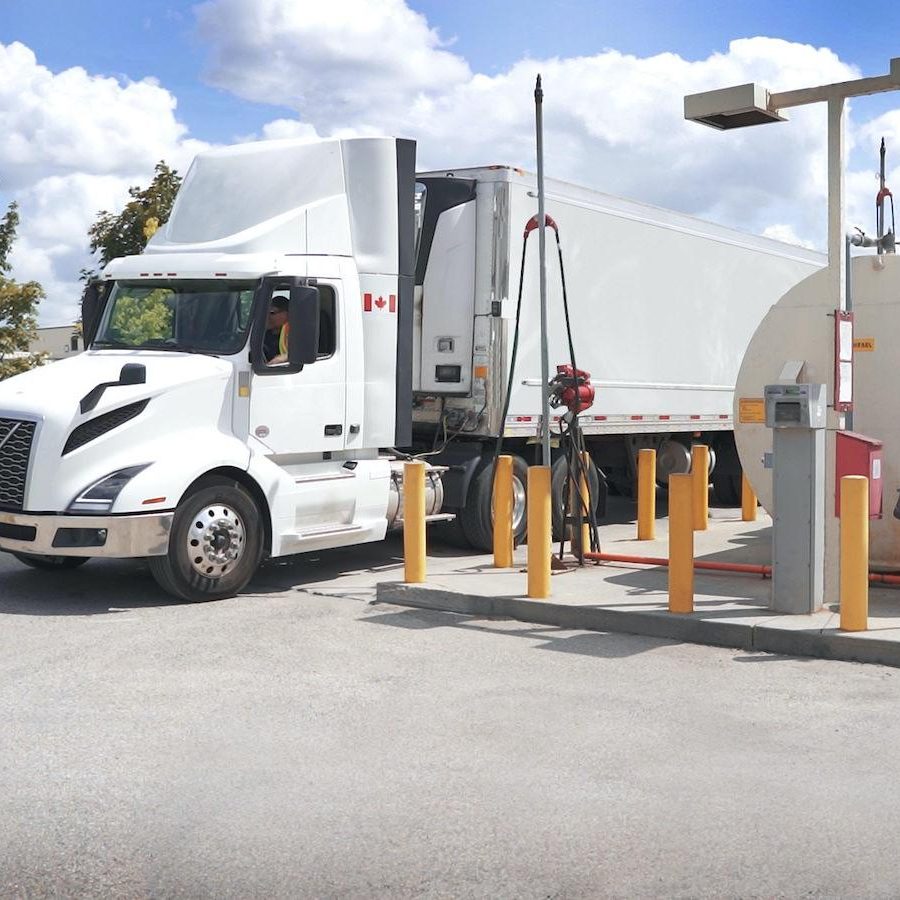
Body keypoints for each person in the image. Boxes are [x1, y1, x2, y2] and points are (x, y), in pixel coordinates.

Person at [264, 295, 289, 364]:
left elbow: (304, 352)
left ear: (287, 314)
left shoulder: (294, 335)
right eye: (265, 313)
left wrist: (286, 357)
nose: (267, 316)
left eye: (272, 313)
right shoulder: (260, 335)